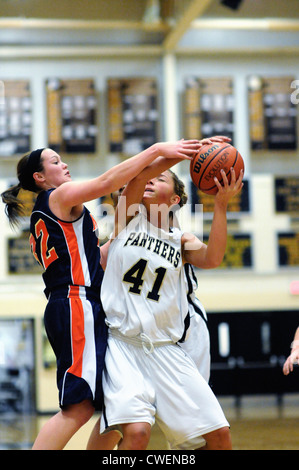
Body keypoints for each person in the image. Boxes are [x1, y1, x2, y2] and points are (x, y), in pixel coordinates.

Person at [0, 140, 200, 450]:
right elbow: (109, 182)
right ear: (40, 177)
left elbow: (99, 253)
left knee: (117, 409)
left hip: (79, 304)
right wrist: (157, 149)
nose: (63, 164)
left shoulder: (56, 211)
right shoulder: (58, 196)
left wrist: (128, 236)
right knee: (78, 409)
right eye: (55, 162)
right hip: (76, 303)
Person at [99, 153, 244, 450]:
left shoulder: (181, 239)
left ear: (176, 199)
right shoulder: (126, 219)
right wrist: (179, 152)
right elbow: (139, 176)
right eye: (149, 177)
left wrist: (220, 204)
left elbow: (214, 257)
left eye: (161, 178)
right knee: (136, 433)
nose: (151, 178)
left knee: (217, 435)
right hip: (124, 345)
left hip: (167, 349)